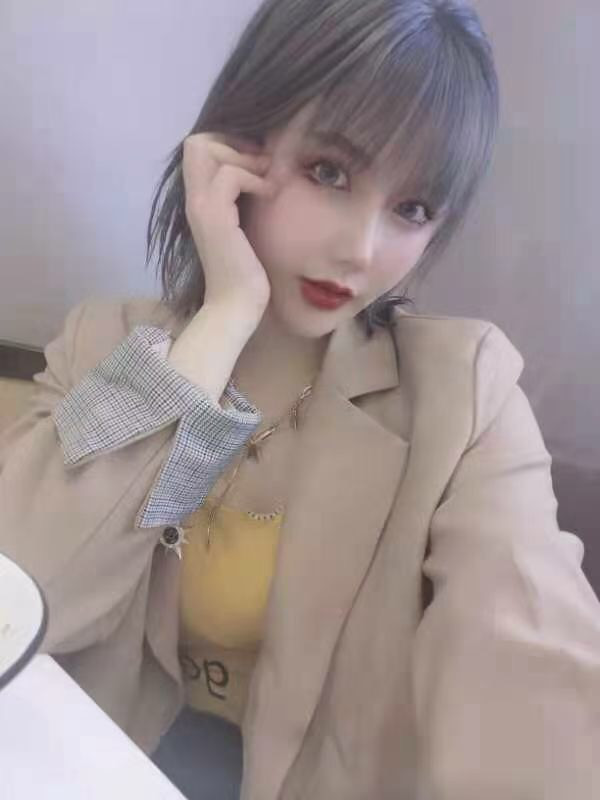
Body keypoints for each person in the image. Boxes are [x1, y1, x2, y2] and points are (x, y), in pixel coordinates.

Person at [1, 0, 599, 798]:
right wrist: (222, 319)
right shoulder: (103, 344)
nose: (361, 248)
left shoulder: (463, 394)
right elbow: (24, 592)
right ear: (238, 146)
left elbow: (527, 658)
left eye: (412, 209)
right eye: (329, 172)